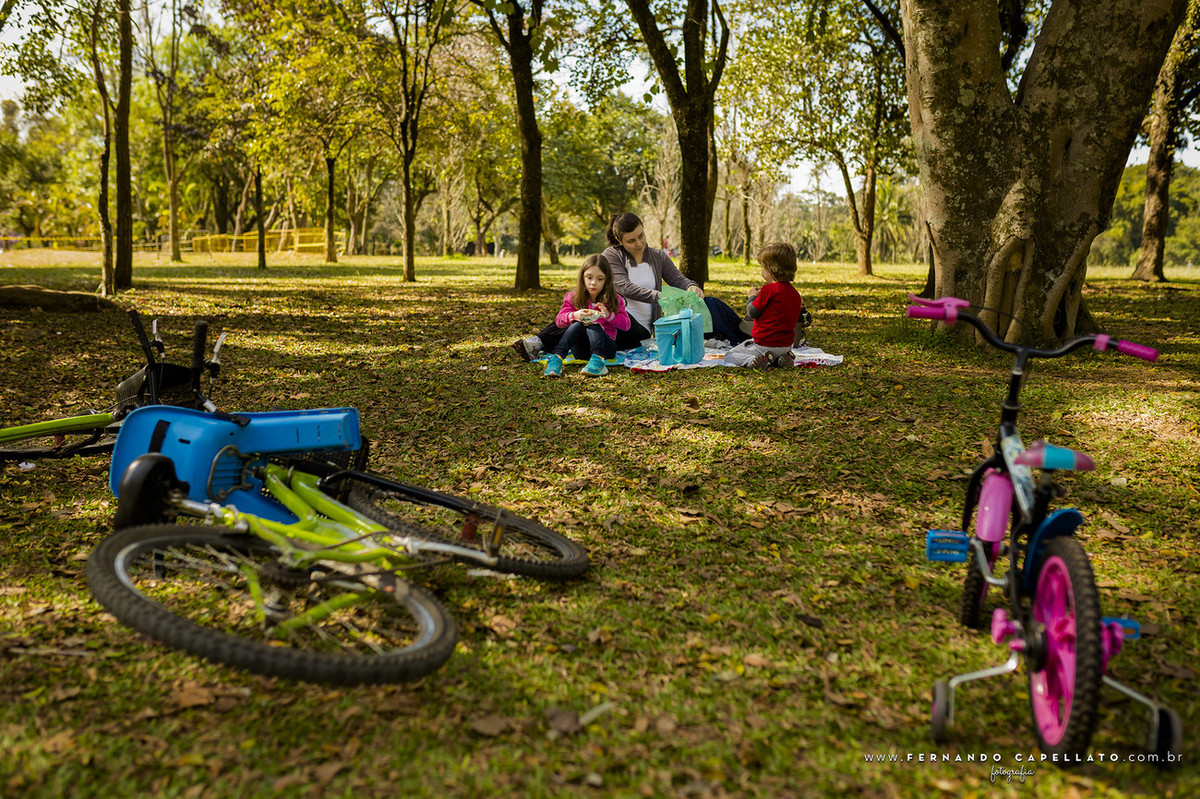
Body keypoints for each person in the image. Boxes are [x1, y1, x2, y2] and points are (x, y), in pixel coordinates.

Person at [542, 254, 631, 378]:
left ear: (607, 280)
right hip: (581, 350)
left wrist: (609, 315)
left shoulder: (615, 299)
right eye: (589, 277)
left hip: (606, 349)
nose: (593, 283)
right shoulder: (573, 297)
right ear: (582, 277)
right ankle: (556, 359)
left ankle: (598, 362)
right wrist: (574, 315)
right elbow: (559, 321)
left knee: (594, 324)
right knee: (578, 323)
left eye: (600, 279)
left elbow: (626, 325)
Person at [724, 242, 805, 369]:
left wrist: (752, 296)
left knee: (729, 355)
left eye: (763, 267)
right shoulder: (795, 294)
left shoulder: (769, 290)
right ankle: (781, 359)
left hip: (764, 345)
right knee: (773, 353)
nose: (762, 271)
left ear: (771, 269)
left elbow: (752, 312)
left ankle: (755, 360)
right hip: (786, 345)